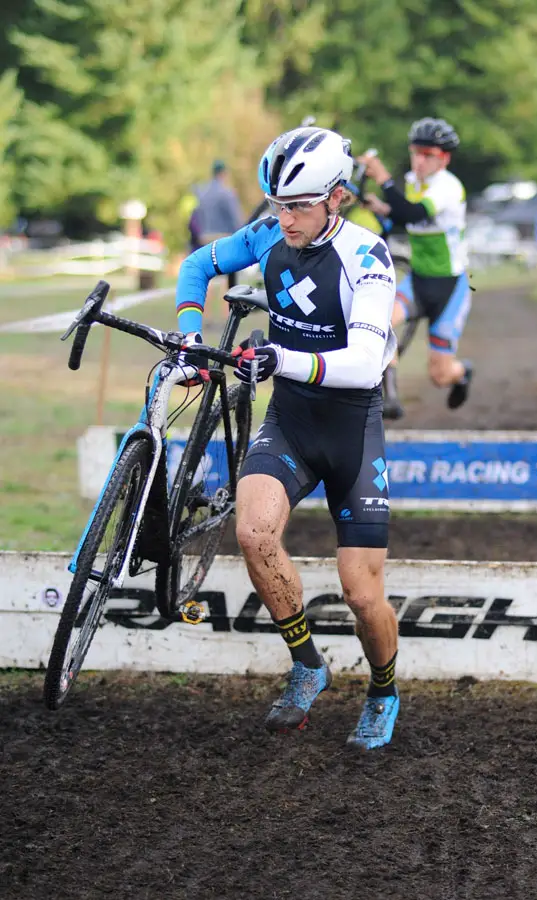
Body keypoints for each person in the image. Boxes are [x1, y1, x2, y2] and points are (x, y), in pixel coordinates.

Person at [175, 126, 400, 750]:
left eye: (299, 205)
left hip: (352, 429)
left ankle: (383, 691)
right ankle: (307, 665)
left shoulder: (367, 256)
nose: (286, 218)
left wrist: (280, 357)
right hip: (292, 422)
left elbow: (364, 362)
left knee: (360, 593)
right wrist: (192, 336)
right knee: (252, 533)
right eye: (277, 204)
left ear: (338, 198)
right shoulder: (271, 232)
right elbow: (198, 263)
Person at [357, 118, 473, 419]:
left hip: (449, 289)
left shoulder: (448, 187)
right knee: (380, 323)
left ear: (444, 158)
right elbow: (404, 218)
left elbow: (413, 212)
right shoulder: (413, 181)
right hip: (418, 281)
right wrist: (382, 208)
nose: (419, 161)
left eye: (428, 155)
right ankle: (391, 398)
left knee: (439, 375)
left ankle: (462, 374)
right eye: (416, 152)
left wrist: (384, 179)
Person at [191, 160, 244, 288]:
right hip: (223, 238)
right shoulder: (227, 193)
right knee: (225, 280)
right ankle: (226, 308)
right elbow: (236, 219)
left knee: (208, 278)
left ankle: (206, 308)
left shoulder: (201, 193)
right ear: (223, 173)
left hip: (204, 239)